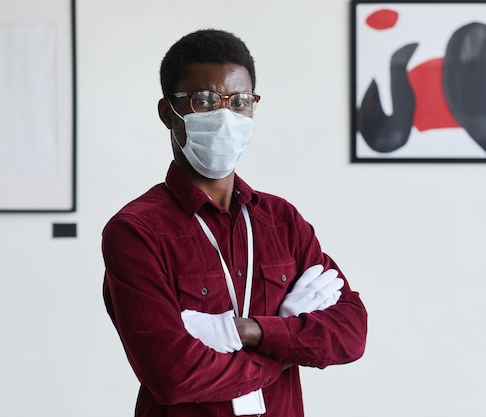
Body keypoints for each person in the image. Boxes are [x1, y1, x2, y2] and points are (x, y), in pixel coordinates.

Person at [102, 28, 368, 417]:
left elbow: (350, 332)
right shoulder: (135, 232)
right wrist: (285, 347)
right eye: (204, 101)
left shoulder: (282, 221)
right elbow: (172, 375)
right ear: (167, 113)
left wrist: (250, 331)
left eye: (240, 102)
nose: (225, 116)